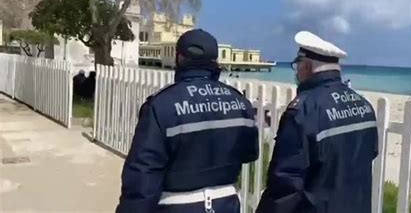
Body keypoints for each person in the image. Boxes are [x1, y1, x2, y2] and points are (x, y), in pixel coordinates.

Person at [116, 29, 259, 213]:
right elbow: (250, 153)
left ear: (179, 58)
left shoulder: (161, 105)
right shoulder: (240, 103)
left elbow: (143, 175)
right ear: (215, 61)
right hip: (226, 204)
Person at [256, 31, 378, 213]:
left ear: (306, 66)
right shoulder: (364, 106)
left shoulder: (304, 110)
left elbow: (286, 184)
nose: (296, 72)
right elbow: (370, 153)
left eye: (297, 66)